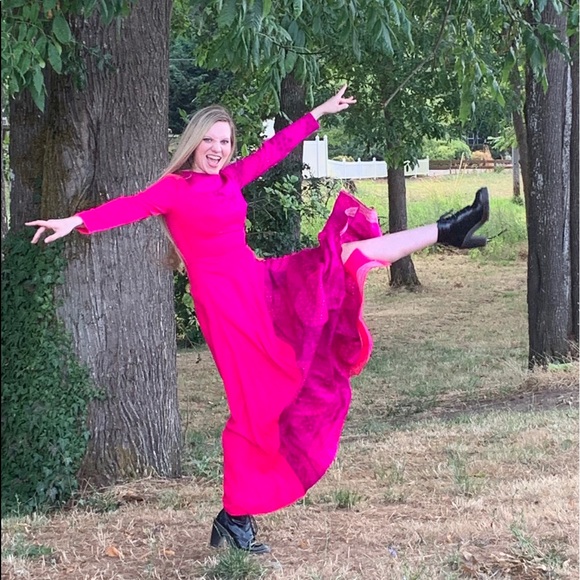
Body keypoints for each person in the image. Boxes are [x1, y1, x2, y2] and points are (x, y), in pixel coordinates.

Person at [26, 85, 490, 554]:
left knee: (343, 257)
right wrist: (76, 221)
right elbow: (130, 206)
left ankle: (446, 228)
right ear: (194, 142)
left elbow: (275, 150)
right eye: (210, 141)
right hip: (226, 310)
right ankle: (235, 516)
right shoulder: (175, 189)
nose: (217, 150)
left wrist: (318, 113)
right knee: (254, 408)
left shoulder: (230, 179)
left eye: (225, 142)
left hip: (259, 284)